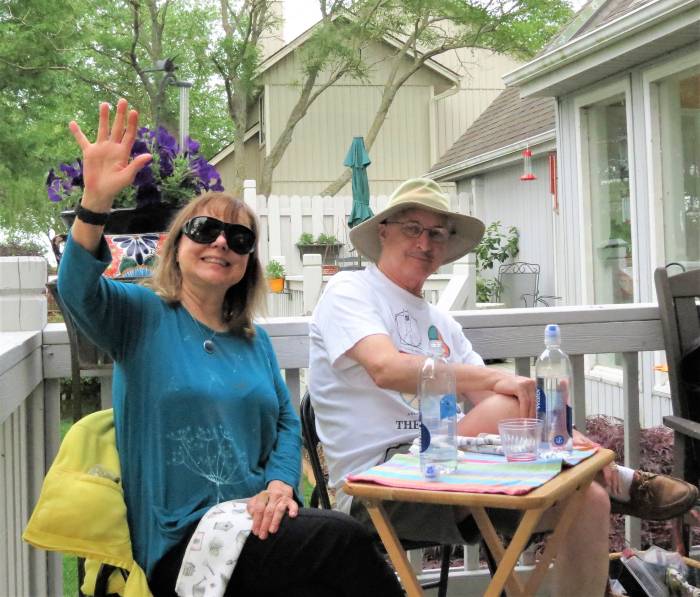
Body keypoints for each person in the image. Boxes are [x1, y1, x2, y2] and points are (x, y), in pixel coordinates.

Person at [57, 99, 403, 597]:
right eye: (205, 230)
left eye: (239, 238)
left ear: (248, 261)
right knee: (341, 538)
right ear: (177, 244)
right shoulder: (142, 317)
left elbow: (286, 424)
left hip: (260, 524)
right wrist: (94, 205)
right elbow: (77, 291)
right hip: (183, 542)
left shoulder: (254, 340)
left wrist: (281, 486)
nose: (222, 243)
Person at [309, 178, 698, 597]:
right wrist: (496, 377)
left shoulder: (443, 323)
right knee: (509, 405)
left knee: (589, 501)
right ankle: (620, 478)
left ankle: (603, 477)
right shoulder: (349, 291)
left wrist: (577, 443)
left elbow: (509, 404)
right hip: (377, 484)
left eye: (436, 232)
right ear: (383, 230)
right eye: (412, 228)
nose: (424, 241)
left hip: (460, 472)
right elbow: (386, 368)